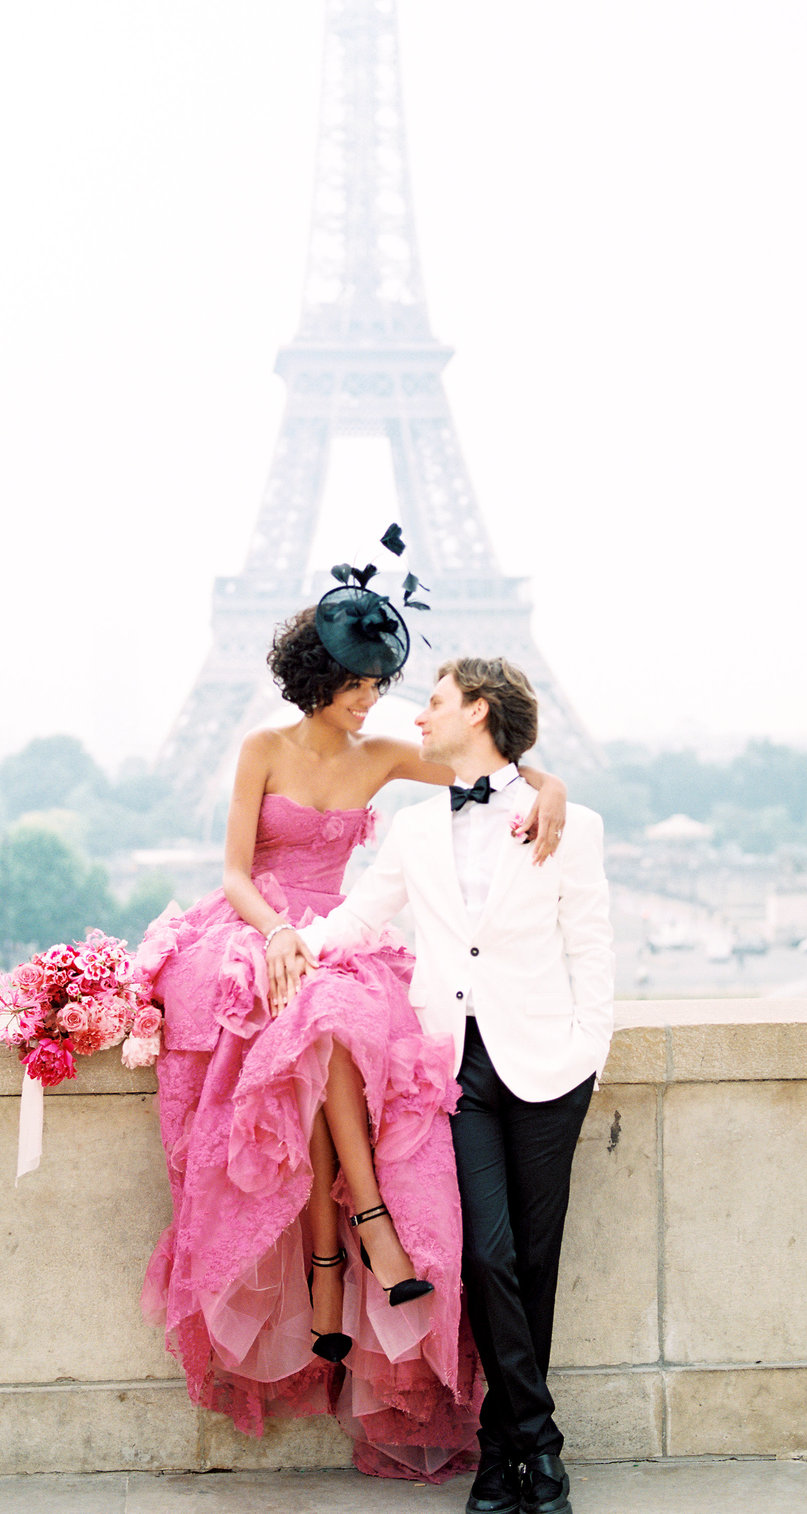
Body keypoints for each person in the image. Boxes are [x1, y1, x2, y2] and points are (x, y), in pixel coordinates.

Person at [134, 558, 568, 1481]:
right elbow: (237, 874)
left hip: (340, 933)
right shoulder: (260, 749)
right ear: (320, 682)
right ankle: (365, 1231)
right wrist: (280, 932)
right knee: (321, 1013)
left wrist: (552, 788)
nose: (373, 702)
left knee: (334, 1016)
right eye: (361, 687)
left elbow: (485, 770)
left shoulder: (382, 758)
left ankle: (338, 1263)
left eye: (378, 687)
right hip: (262, 929)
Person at [296, 657, 615, 1514]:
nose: (420, 716)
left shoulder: (568, 822)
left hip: (551, 1062)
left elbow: (591, 948)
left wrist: (590, 1051)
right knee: (487, 1255)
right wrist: (289, 945)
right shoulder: (413, 828)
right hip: (455, 1068)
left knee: (536, 1262)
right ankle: (538, 1446)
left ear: (477, 710)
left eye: (435, 703)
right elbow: (361, 919)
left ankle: (501, 1459)